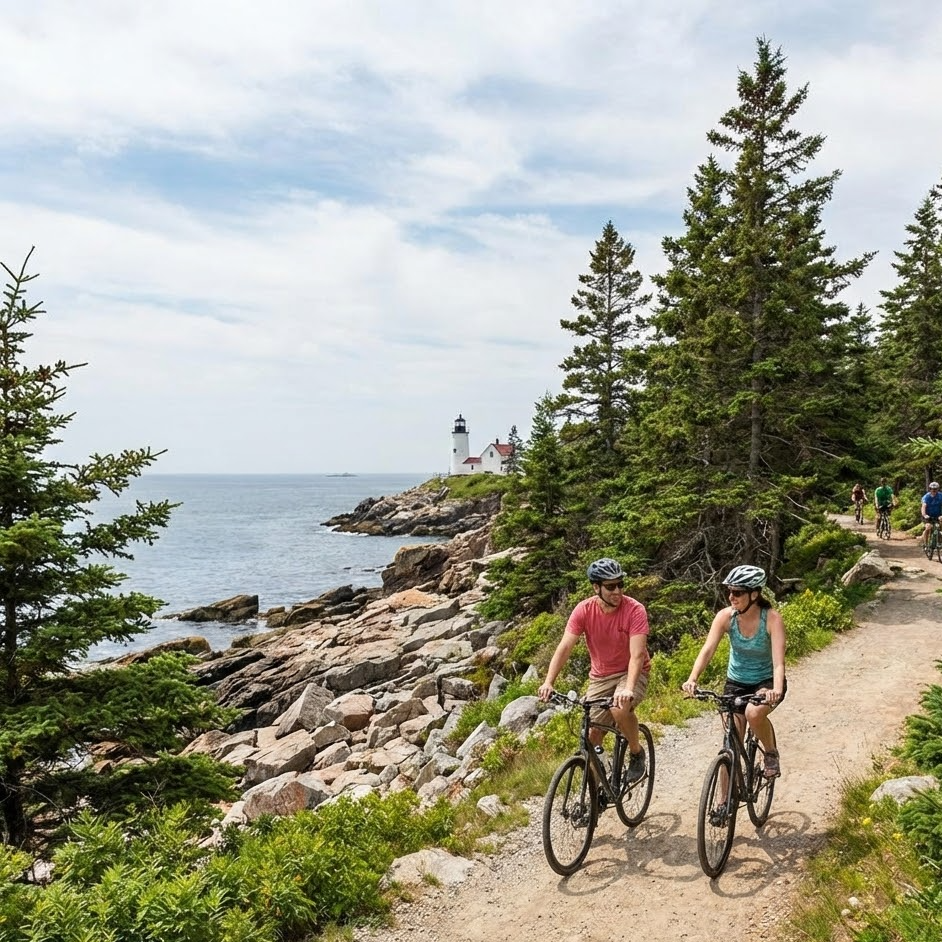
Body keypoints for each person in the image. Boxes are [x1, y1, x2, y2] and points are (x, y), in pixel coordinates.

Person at [538, 557, 651, 785]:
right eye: (610, 586)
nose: (617, 591)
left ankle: (637, 752)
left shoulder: (635, 610)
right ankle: (596, 792)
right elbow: (565, 647)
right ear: (596, 587)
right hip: (600, 677)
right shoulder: (584, 610)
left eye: (620, 584)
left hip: (632, 673)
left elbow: (637, 655)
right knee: (591, 737)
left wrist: (628, 688)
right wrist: (549, 681)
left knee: (619, 708)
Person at [681, 564, 786, 779]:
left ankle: (770, 752)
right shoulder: (725, 617)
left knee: (753, 713)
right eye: (729, 591)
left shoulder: (772, 619)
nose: (731, 597)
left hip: (765, 681)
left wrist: (775, 689)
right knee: (730, 745)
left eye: (737, 592)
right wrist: (692, 678)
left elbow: (778, 661)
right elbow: (708, 649)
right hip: (736, 682)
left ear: (754, 594)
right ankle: (722, 805)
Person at [921, 482, 942, 548]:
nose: (933, 490)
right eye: (932, 489)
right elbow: (924, 506)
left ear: (937, 489)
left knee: (939, 527)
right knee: (928, 528)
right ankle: (925, 544)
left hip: (938, 515)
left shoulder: (940, 496)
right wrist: (924, 515)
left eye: (935, 489)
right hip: (928, 515)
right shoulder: (926, 497)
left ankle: (938, 542)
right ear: (930, 489)